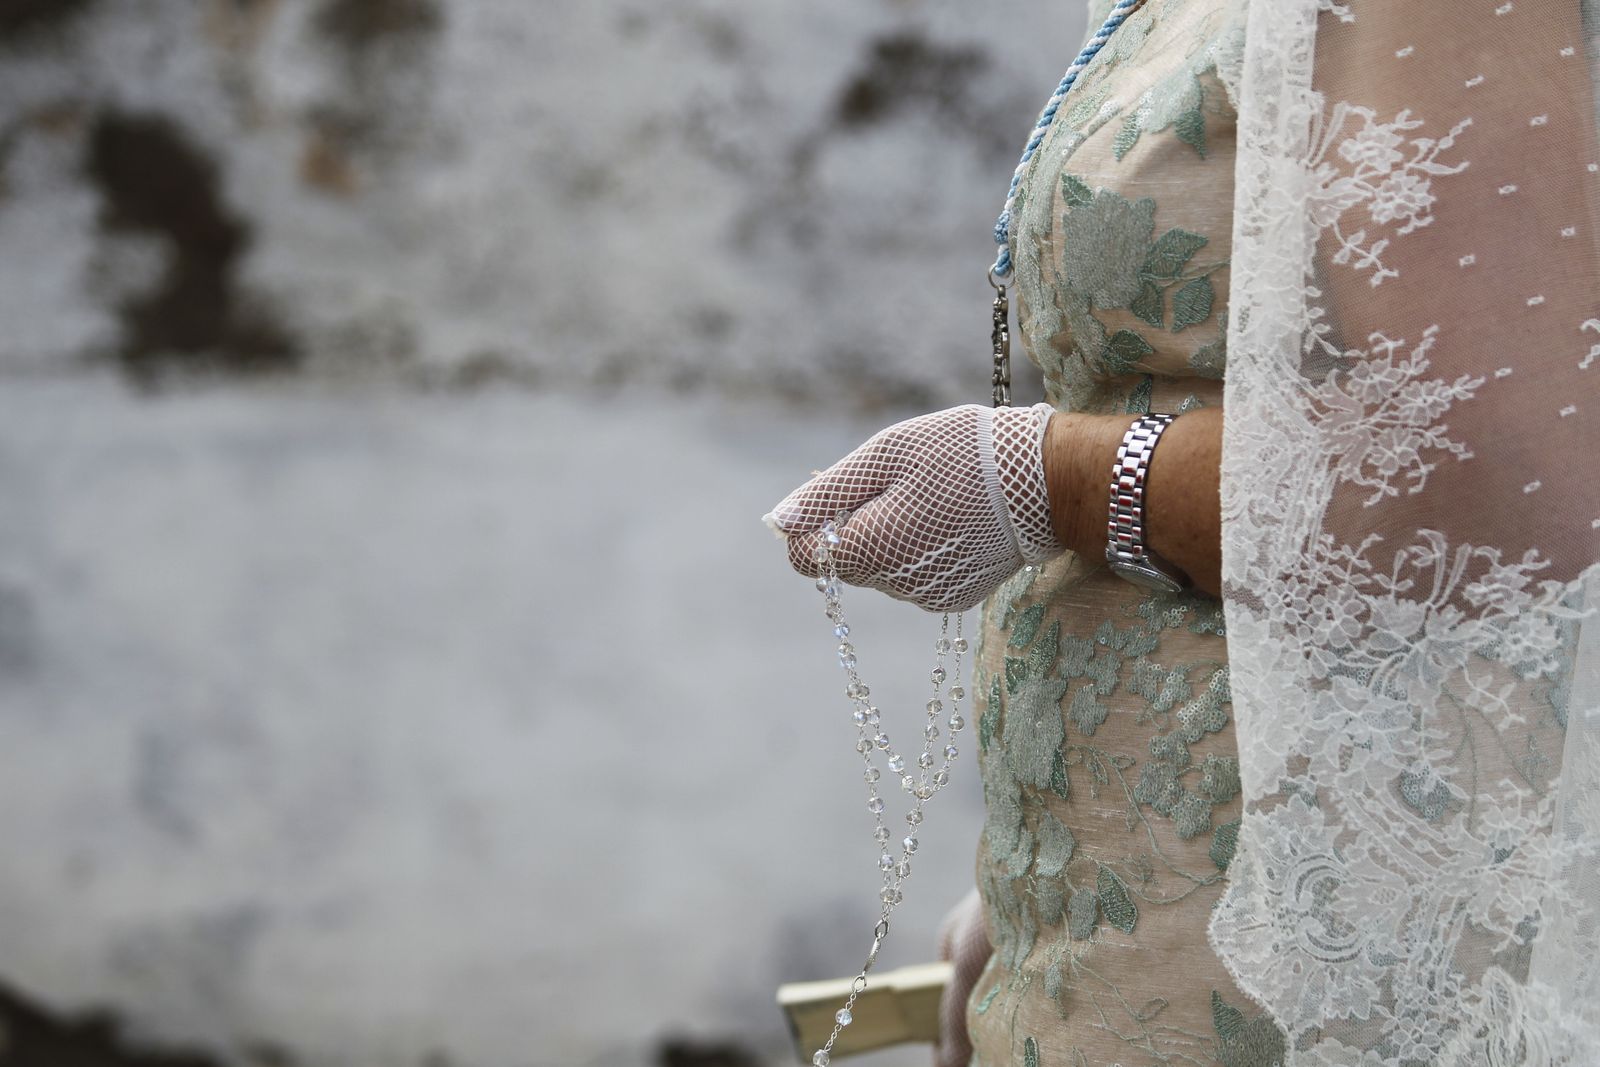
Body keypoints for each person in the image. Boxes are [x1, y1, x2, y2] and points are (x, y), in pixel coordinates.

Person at [768, 2, 1600, 1066]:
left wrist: (1054, 478)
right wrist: (1050, 864)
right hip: (1148, 904)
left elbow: (1498, 470)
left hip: (1318, 944)